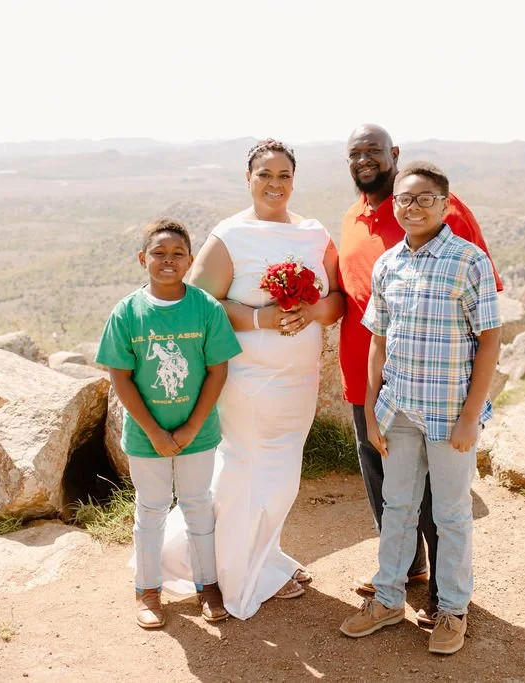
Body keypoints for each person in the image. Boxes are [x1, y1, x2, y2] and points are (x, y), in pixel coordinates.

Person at [337, 124, 504, 626]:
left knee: (446, 507)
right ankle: (397, 583)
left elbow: (488, 329)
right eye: (355, 153)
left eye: (374, 151)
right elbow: (368, 323)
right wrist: (371, 408)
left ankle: (448, 602)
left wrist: (472, 413)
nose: (365, 159)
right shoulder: (363, 231)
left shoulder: (462, 245)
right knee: (393, 499)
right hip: (388, 394)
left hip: (446, 399)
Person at [176, 138, 345, 619]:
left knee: (281, 479)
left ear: (295, 180)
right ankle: (230, 575)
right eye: (265, 174)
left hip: (298, 380)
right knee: (247, 473)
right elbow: (198, 303)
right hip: (247, 382)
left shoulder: (314, 234)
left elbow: (337, 301)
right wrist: (258, 319)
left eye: (284, 175)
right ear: (247, 179)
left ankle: (262, 558)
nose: (275, 184)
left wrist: (311, 311)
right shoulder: (231, 235)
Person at [95, 218, 242, 630]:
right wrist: (155, 432)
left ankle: (207, 586)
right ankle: (147, 589)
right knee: (151, 509)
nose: (168, 260)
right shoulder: (127, 313)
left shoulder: (205, 309)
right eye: (158, 253)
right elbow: (121, 377)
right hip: (146, 436)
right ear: (142, 258)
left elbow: (217, 370)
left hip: (199, 432)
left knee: (198, 506)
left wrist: (192, 427)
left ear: (190, 261)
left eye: (178, 253)